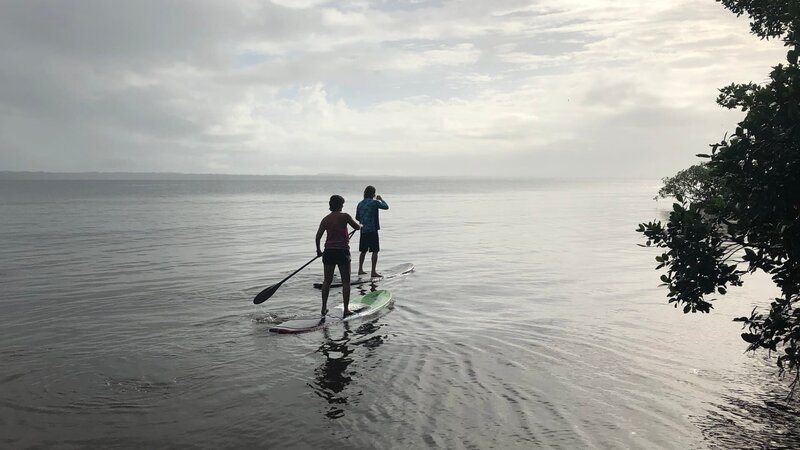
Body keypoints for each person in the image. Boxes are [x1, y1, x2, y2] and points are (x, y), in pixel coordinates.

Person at [316, 194, 360, 319]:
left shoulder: (325, 219)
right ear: (340, 205)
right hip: (342, 252)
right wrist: (361, 226)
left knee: (327, 281)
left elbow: (317, 237)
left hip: (328, 251)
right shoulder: (345, 216)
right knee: (346, 281)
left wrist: (318, 250)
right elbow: (357, 227)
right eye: (342, 204)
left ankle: (324, 308)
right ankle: (346, 310)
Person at [355, 185, 389, 278]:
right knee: (375, 251)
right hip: (373, 230)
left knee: (363, 251)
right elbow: (386, 207)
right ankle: (373, 271)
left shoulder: (360, 204)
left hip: (363, 230)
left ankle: (360, 270)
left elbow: (357, 217)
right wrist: (381, 199)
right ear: (373, 194)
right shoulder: (374, 203)